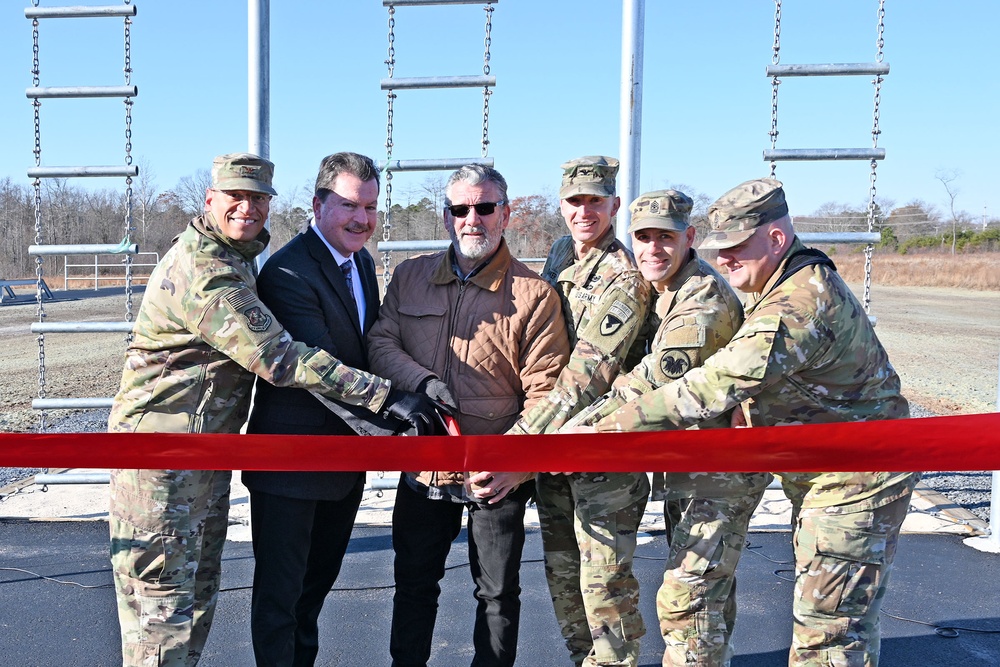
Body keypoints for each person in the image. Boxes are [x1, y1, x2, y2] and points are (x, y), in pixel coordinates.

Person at [107, 153, 437, 667]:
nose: (248, 207)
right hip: (163, 466)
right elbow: (280, 357)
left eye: (259, 198)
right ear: (210, 199)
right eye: (235, 196)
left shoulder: (237, 259)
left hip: (202, 457)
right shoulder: (210, 269)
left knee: (192, 605)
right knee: (163, 612)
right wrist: (389, 401)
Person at [585, 178, 919, 666]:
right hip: (820, 468)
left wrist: (600, 432)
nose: (724, 260)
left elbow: (707, 387)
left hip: (856, 479)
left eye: (737, 248)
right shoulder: (780, 283)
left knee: (830, 634)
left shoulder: (798, 304)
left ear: (777, 240)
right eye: (719, 249)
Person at [367, 163, 570, 667]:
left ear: (506, 213)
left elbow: (547, 391)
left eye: (484, 207)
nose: (471, 218)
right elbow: (380, 341)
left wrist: (515, 462)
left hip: (495, 474)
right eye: (460, 209)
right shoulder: (409, 277)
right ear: (446, 217)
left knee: (497, 595)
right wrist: (421, 381)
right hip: (425, 465)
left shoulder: (534, 295)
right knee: (414, 585)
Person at [562, 189, 771, 667]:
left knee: (690, 597)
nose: (653, 248)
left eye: (666, 238)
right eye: (644, 237)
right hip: (682, 454)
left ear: (689, 238)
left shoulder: (705, 301)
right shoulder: (653, 289)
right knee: (697, 591)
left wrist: (571, 433)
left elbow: (648, 384)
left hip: (718, 466)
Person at [488, 156, 652, 667]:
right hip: (555, 454)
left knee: (604, 586)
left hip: (601, 455)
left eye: (596, 202)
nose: (585, 212)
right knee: (564, 581)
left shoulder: (624, 279)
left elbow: (584, 378)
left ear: (614, 206)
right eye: (575, 202)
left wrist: (515, 443)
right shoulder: (562, 254)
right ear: (562, 206)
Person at [241, 152, 392, 666]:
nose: (362, 219)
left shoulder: (362, 263)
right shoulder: (288, 271)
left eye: (370, 208)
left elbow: (371, 345)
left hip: (342, 466)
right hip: (290, 467)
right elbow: (325, 367)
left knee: (312, 598)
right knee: (281, 602)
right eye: (349, 205)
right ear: (318, 204)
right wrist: (401, 420)